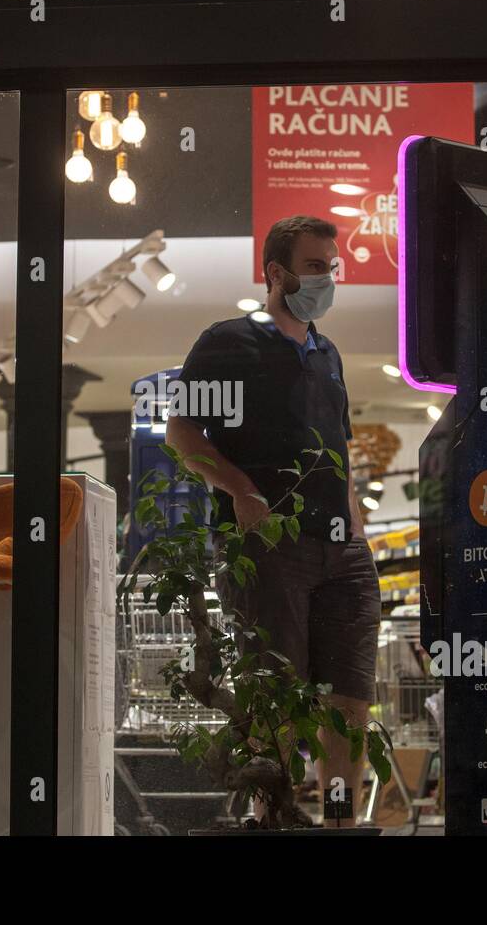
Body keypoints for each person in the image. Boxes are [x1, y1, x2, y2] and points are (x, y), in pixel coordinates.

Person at [166, 215, 380, 827]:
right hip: (267, 547)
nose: (326, 278)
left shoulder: (327, 354)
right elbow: (182, 433)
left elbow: (337, 449)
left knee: (349, 703)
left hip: (343, 555)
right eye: (314, 267)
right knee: (275, 699)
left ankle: (339, 821)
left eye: (331, 267)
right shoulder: (228, 342)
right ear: (275, 273)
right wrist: (241, 490)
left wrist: (357, 528)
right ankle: (272, 820)